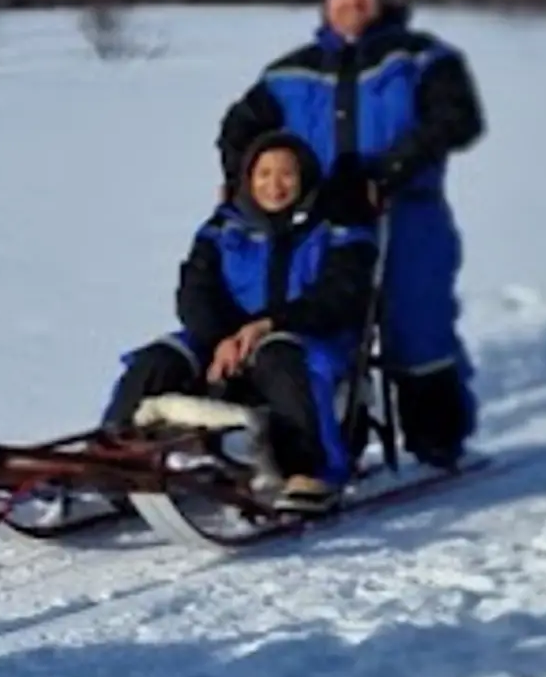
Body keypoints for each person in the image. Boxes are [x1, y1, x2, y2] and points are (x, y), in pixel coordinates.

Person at [216, 0, 484, 467]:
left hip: (405, 214)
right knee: (320, 320)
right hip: (312, 223)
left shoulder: (418, 57)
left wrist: (390, 168)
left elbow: (456, 117)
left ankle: (437, 438)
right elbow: (241, 126)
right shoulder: (290, 72)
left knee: (416, 324)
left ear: (382, 0)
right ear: (326, 2)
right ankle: (324, 426)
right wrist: (239, 178)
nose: (352, 3)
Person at [104, 133, 376, 505]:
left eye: (286, 175)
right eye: (263, 174)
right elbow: (194, 293)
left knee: (279, 356)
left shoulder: (336, 228)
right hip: (224, 341)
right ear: (247, 179)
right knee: (157, 360)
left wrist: (268, 324)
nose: (274, 185)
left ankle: (309, 471)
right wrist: (221, 339)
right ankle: (111, 458)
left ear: (305, 178)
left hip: (309, 337)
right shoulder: (223, 229)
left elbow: (340, 297)